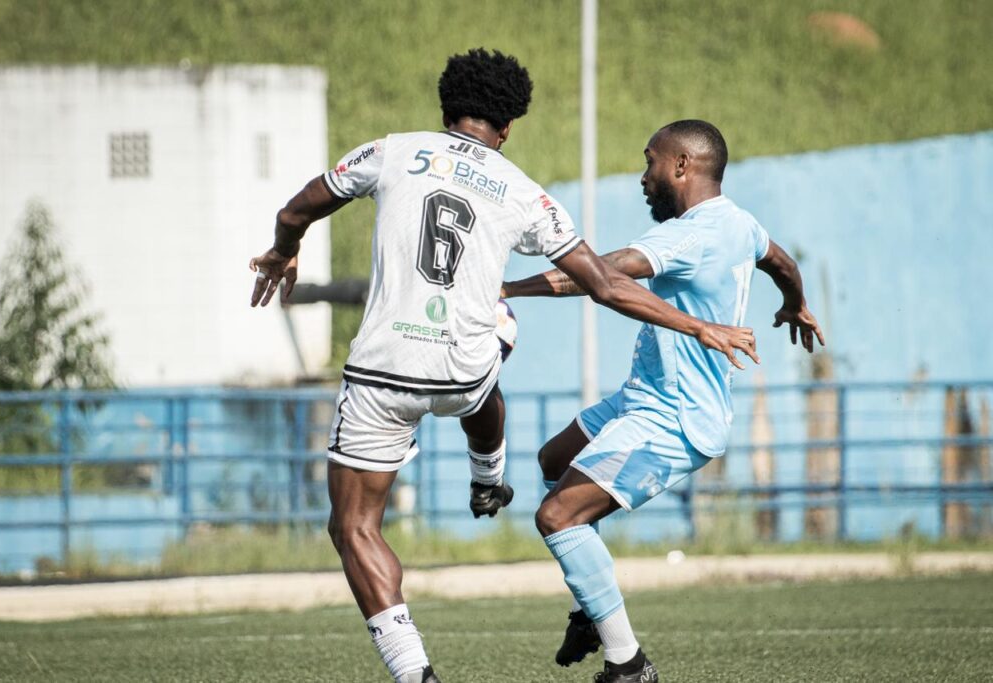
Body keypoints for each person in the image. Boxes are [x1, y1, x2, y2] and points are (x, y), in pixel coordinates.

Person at [248, 49, 757, 682]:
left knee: (354, 526)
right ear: (508, 125)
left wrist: (284, 250)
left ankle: (415, 672)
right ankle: (488, 474)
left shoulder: (391, 150)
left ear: (446, 108)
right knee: (490, 356)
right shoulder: (523, 191)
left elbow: (294, 211)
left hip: (385, 371)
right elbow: (603, 284)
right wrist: (699, 324)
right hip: (466, 372)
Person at [502, 119, 825, 683]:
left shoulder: (688, 236)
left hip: (674, 418)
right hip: (643, 399)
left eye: (650, 161)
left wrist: (506, 288)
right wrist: (795, 303)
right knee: (554, 459)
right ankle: (589, 611)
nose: (643, 176)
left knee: (556, 516)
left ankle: (628, 664)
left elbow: (597, 276)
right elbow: (783, 263)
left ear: (681, 165)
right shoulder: (740, 222)